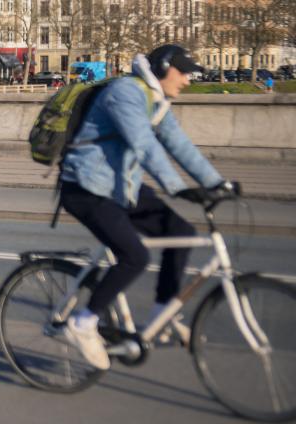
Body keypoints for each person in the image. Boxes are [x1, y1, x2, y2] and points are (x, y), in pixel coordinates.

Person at [58, 44, 230, 370]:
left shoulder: (156, 100)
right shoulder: (125, 93)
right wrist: (178, 188)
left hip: (121, 188)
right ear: (165, 68)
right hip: (86, 187)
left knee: (181, 232)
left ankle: (161, 313)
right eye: (184, 72)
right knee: (135, 256)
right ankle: (83, 322)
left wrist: (216, 183)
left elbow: (178, 143)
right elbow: (144, 144)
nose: (188, 81)